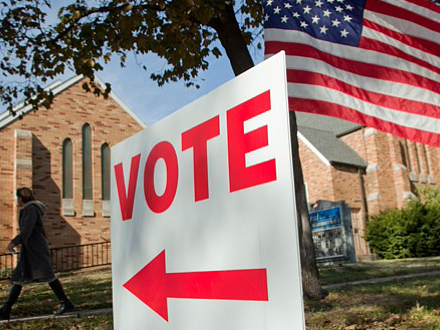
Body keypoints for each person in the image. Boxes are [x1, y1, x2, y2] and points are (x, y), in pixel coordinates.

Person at [0, 187, 74, 321]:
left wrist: (13, 242)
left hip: (36, 249)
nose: (17, 200)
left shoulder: (31, 209)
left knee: (48, 275)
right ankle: (5, 310)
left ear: (22, 197)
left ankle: (66, 302)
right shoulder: (29, 209)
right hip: (30, 248)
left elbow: (27, 230)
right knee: (19, 279)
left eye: (18, 197)